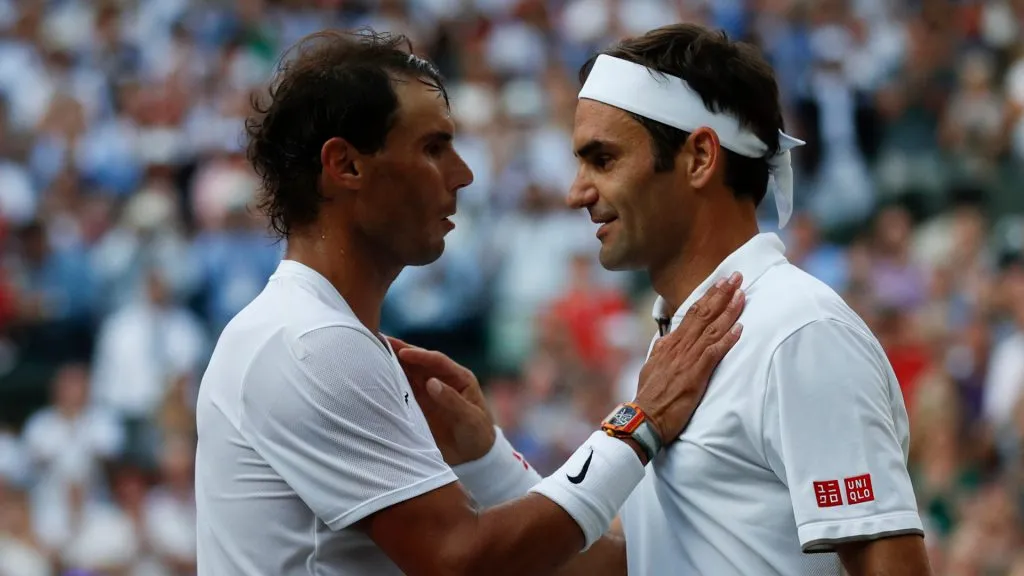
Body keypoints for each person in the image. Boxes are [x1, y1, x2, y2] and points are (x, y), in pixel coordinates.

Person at [193, 29, 747, 576]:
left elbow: (563, 564)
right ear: (346, 165)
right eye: (434, 148)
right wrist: (638, 423)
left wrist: (486, 457)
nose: (464, 175)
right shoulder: (313, 343)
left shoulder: (318, 334)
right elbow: (460, 560)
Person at [400, 23, 933, 576]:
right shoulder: (681, 343)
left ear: (700, 157)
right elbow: (633, 563)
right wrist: (489, 458)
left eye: (602, 160)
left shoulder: (799, 332)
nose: (575, 192)